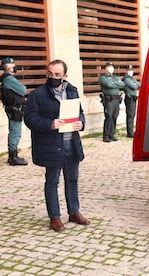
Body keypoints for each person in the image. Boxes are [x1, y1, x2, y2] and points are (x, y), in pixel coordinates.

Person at [24, 59, 90, 232]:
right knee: (52, 182)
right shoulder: (37, 95)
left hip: (71, 144)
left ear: (65, 76)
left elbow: (80, 114)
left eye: (57, 75)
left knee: (72, 179)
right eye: (50, 74)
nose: (53, 77)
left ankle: (74, 212)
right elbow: (30, 118)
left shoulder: (72, 91)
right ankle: (55, 217)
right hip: (51, 146)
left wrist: (81, 124)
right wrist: (50, 124)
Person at [1, 57, 28, 166]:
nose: (14, 67)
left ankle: (12, 155)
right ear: (9, 67)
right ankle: (13, 157)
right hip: (14, 109)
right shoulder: (9, 79)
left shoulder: (5, 78)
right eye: (13, 65)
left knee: (14, 131)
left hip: (12, 108)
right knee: (15, 132)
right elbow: (23, 90)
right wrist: (22, 86)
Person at [99, 61, 124, 142]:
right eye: (109, 67)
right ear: (105, 68)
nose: (111, 68)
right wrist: (115, 83)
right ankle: (106, 136)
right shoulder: (103, 78)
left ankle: (112, 134)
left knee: (114, 117)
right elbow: (108, 85)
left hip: (116, 99)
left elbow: (122, 84)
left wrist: (114, 82)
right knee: (108, 117)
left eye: (112, 67)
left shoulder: (115, 77)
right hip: (109, 100)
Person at [122, 65, 140, 137]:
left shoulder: (131, 78)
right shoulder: (126, 79)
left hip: (133, 98)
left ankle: (131, 130)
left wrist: (135, 83)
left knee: (132, 115)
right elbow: (135, 86)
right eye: (129, 70)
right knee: (130, 115)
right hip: (129, 98)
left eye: (131, 70)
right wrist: (135, 83)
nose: (131, 71)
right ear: (126, 71)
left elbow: (139, 84)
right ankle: (130, 132)